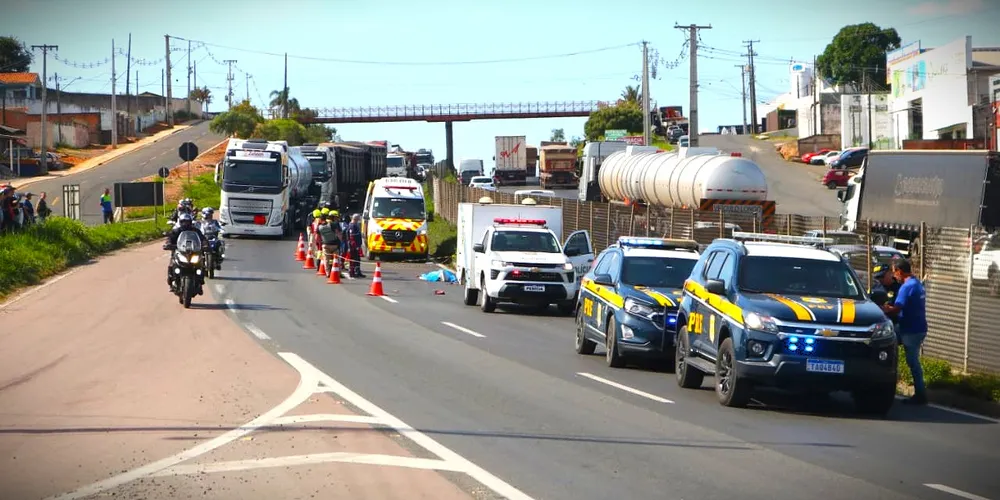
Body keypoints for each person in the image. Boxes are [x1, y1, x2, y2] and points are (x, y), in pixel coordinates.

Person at [881, 259, 928, 405]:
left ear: (900, 271)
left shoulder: (906, 287)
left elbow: (897, 309)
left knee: (912, 361)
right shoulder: (917, 284)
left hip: (911, 329)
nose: (895, 276)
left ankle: (920, 394)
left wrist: (883, 309)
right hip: (914, 327)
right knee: (888, 343)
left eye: (895, 272)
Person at [163, 212, 208, 293]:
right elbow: (170, 238)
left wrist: (205, 245)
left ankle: (200, 282)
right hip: (180, 252)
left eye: (187, 222)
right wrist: (168, 244)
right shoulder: (177, 231)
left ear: (190, 222)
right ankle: (171, 280)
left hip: (193, 252)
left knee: (201, 264)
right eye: (183, 221)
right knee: (171, 264)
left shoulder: (196, 231)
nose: (185, 223)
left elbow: (203, 239)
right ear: (180, 222)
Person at [316, 212, 343, 276]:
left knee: (326, 260)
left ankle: (328, 273)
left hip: (325, 245)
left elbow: (318, 237)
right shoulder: (331, 224)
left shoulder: (319, 227)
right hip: (334, 244)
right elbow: (337, 233)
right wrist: (341, 240)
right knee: (337, 259)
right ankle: (339, 273)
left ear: (320, 219)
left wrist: (320, 244)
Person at [347, 213, 365, 278]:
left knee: (357, 259)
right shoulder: (352, 226)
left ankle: (357, 271)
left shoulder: (355, 225)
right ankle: (352, 272)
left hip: (356, 245)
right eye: (358, 219)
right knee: (353, 259)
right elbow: (352, 237)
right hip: (353, 246)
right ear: (355, 219)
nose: (359, 220)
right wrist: (356, 246)